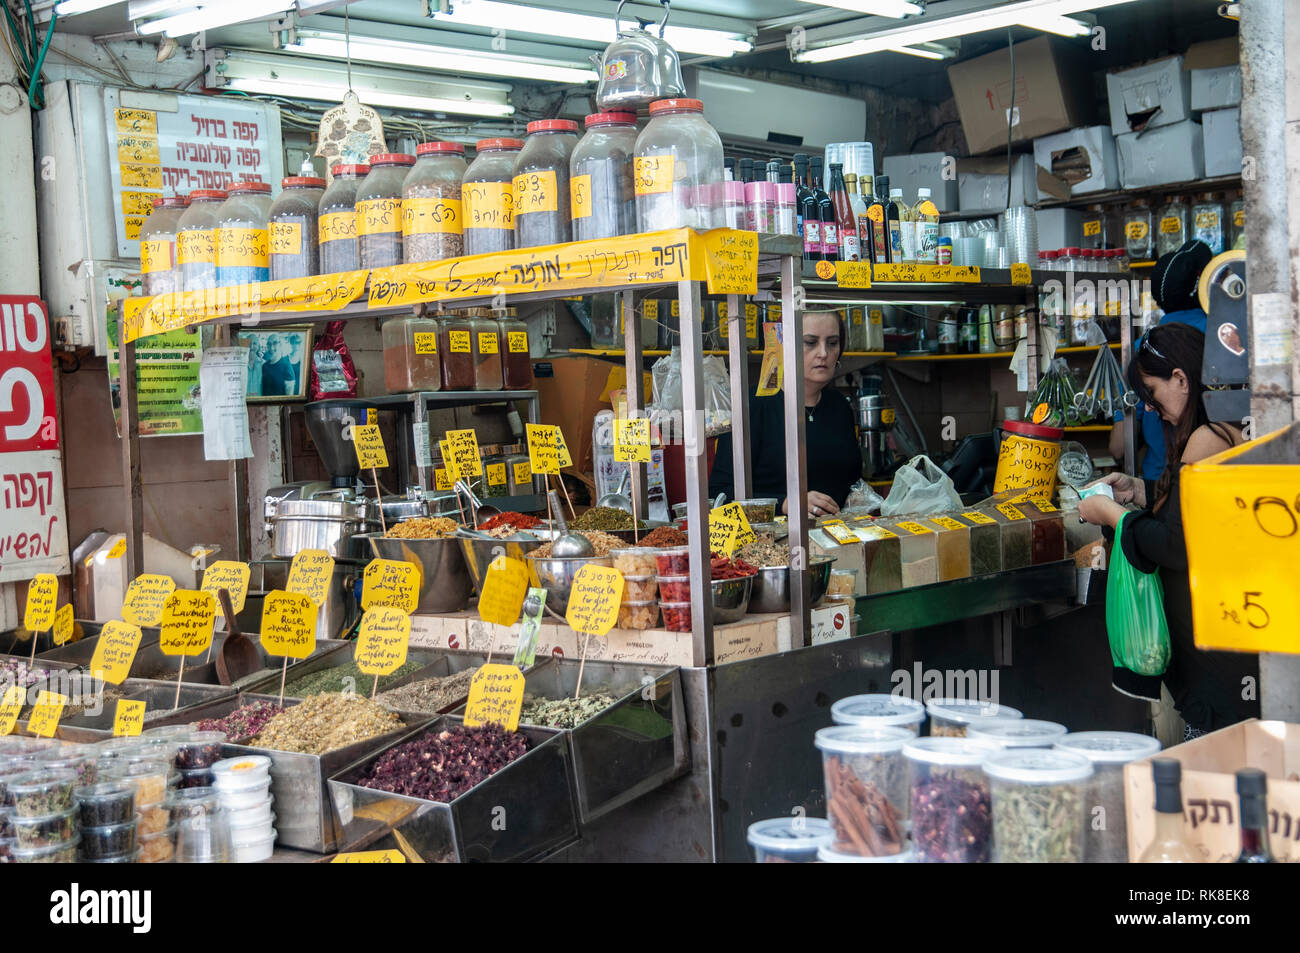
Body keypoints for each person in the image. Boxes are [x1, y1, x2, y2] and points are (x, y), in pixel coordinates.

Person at [1079, 323, 1258, 738]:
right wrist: (1141, 491)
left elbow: (1178, 545)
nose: (1148, 408)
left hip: (1221, 658)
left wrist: (1110, 515)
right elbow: (1201, 517)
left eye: (1151, 392)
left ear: (1180, 378)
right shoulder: (1232, 427)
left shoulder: (1206, 439)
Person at [709, 310, 861, 520]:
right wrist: (785, 504)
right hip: (771, 542)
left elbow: (854, 483)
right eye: (810, 342)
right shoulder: (750, 405)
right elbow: (719, 496)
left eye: (832, 343)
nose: (823, 353)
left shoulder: (839, 406)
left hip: (837, 538)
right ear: (783, 346)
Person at [1108, 239, 1212, 477]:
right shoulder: (1228, 338)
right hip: (1210, 482)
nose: (1150, 405)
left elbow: (1118, 447)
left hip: (1157, 481)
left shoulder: (1141, 349)